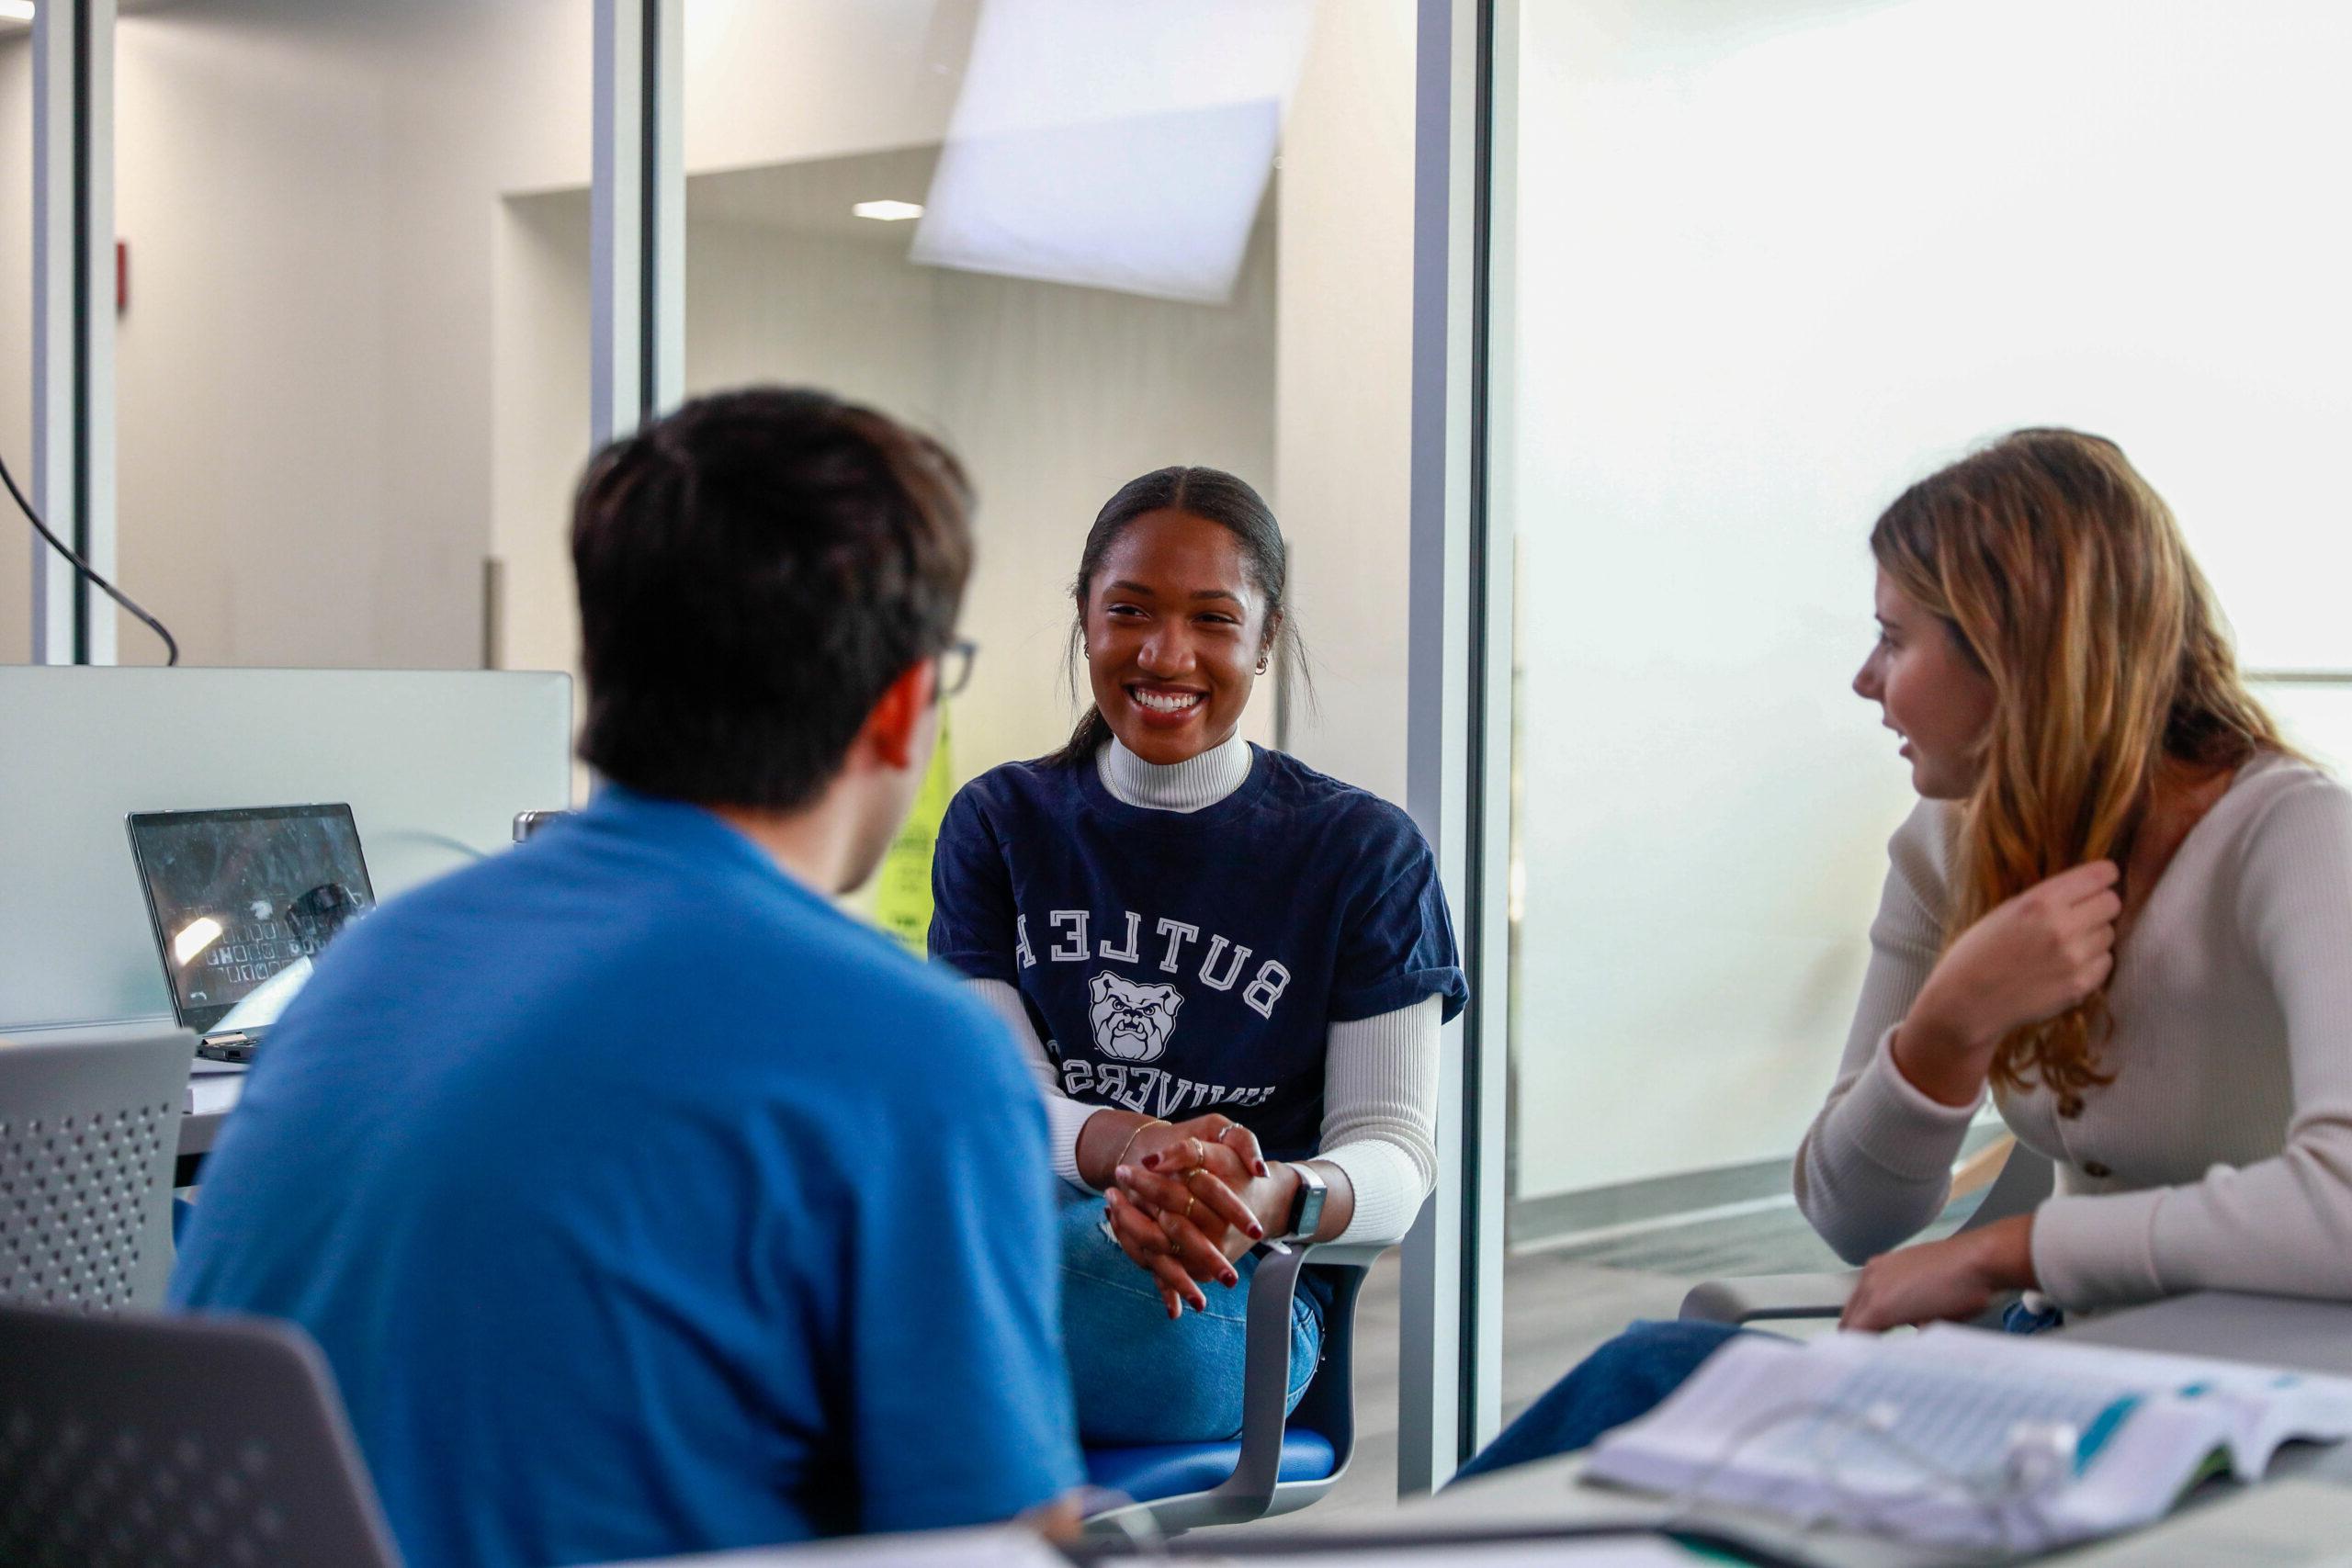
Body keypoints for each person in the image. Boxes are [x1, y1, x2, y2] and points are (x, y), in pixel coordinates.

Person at [172, 389, 1084, 1565]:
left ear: (606, 662)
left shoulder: (373, 961)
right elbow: (1001, 1545)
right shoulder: (908, 1051)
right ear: (903, 706)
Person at [1460, 427, 2352, 1479]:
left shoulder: (2291, 837)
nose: (1863, 677)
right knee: (1652, 1374)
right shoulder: (1948, 844)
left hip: (2250, 1423)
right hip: (2054, 1378)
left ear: (2014, 652)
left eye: (1894, 637)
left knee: (1658, 1397)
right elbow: (1851, 1218)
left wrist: (2006, 1250)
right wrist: (1945, 1029)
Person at [929, 466, 1467, 1444]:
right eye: (1128, 609)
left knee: (866, 1320)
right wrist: (1127, 1151)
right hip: (1020, 1249)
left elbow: (1395, 1159)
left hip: (1226, 1296)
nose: (1164, 652)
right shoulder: (999, 823)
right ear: (1084, 619)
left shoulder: (1361, 852)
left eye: (1213, 619)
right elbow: (997, 1102)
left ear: (1264, 638)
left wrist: (1264, 1196)